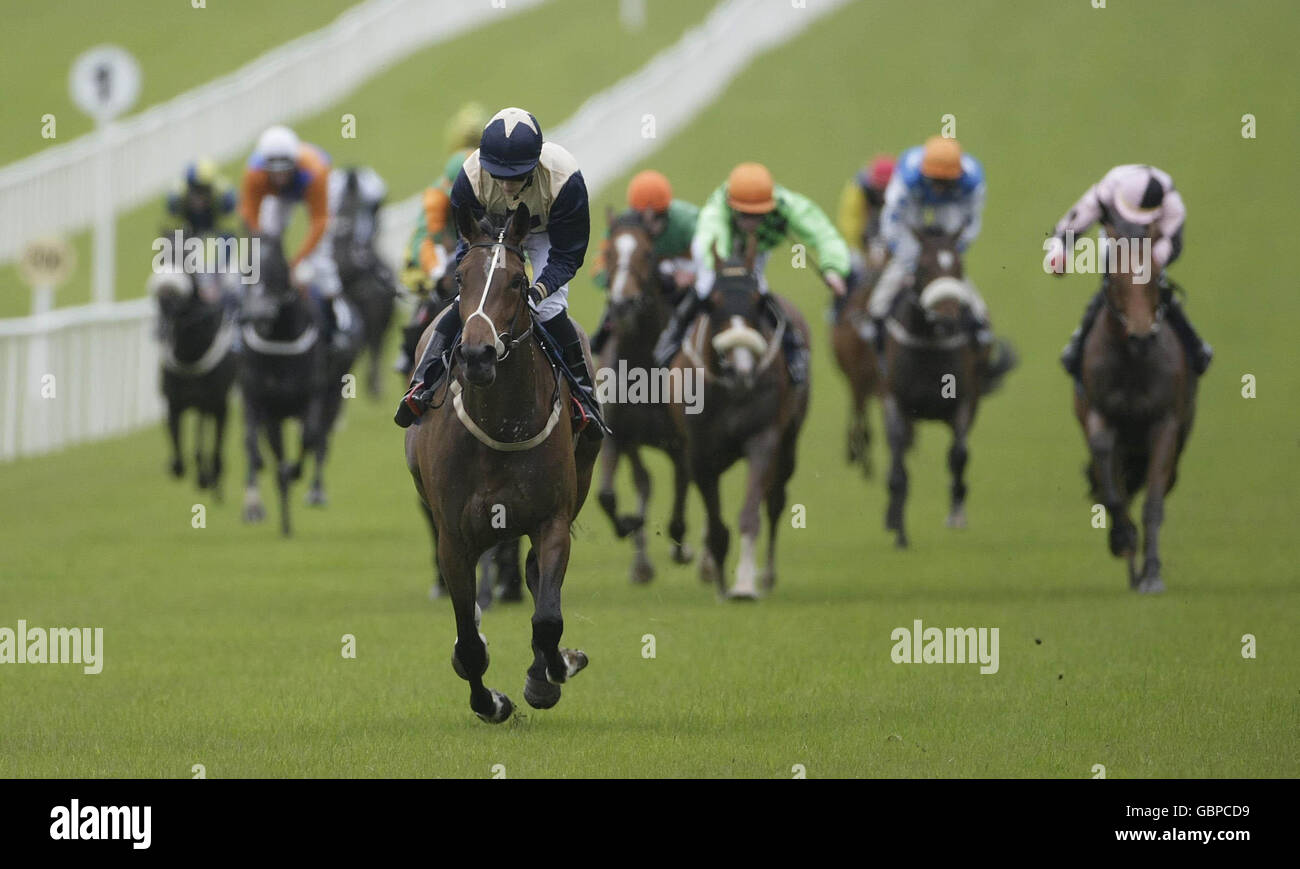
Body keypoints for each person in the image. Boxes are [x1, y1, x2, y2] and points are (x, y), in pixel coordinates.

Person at [394, 107, 598, 437]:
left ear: (533, 166)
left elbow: (568, 254)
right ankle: (422, 383)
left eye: (515, 176)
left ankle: (583, 396)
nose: (505, 185)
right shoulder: (471, 177)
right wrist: (469, 282)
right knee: (467, 300)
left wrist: (539, 289)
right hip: (490, 229)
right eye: (498, 175)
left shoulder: (565, 181)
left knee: (547, 308)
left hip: (546, 231)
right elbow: (467, 243)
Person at [652, 162, 850, 384]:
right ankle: (672, 338)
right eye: (745, 215)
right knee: (706, 287)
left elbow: (822, 232)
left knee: (759, 289)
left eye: (758, 215)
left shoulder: (787, 205)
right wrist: (726, 274)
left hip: (756, 250)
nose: (751, 222)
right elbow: (712, 240)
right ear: (732, 207)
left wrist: (833, 268)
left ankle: (793, 347)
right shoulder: (717, 209)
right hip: (718, 252)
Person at [1047, 163, 1211, 377]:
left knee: (1159, 292)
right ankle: (1078, 345)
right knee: (1109, 290)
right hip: (1114, 243)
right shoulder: (1105, 192)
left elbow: (1173, 245)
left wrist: (1149, 264)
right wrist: (1059, 253)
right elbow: (1068, 228)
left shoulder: (1173, 207)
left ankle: (1195, 345)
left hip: (1150, 247)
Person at [868, 136, 990, 347]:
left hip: (952, 206)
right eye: (935, 181)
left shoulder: (973, 183)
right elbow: (892, 221)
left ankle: (979, 320)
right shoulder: (907, 179)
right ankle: (875, 315)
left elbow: (971, 223)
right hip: (914, 204)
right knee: (903, 265)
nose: (939, 188)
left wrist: (949, 253)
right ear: (925, 174)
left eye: (945, 182)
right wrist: (910, 257)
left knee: (946, 267)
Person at [239, 124, 347, 349]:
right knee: (262, 253)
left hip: (317, 190)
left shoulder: (314, 171)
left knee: (320, 261)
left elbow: (319, 221)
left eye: (284, 169)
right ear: (264, 165)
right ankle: (254, 306)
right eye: (273, 171)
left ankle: (336, 318)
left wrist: (298, 260)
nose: (279, 176)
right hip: (279, 197)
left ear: (294, 163)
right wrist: (263, 249)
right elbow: (249, 215)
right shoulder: (254, 173)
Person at [589, 169, 699, 355]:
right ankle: (602, 336)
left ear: (667, 212)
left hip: (683, 276)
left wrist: (693, 276)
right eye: (642, 217)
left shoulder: (690, 222)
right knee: (619, 299)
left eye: (657, 217)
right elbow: (599, 270)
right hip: (645, 283)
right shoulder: (623, 228)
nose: (649, 224)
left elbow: (712, 261)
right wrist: (618, 279)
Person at [836, 154, 895, 283]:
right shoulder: (858, 191)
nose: (883, 194)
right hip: (863, 242)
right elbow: (851, 226)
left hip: (892, 241)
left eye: (886, 189)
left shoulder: (901, 193)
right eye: (880, 189)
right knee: (851, 270)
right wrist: (865, 253)